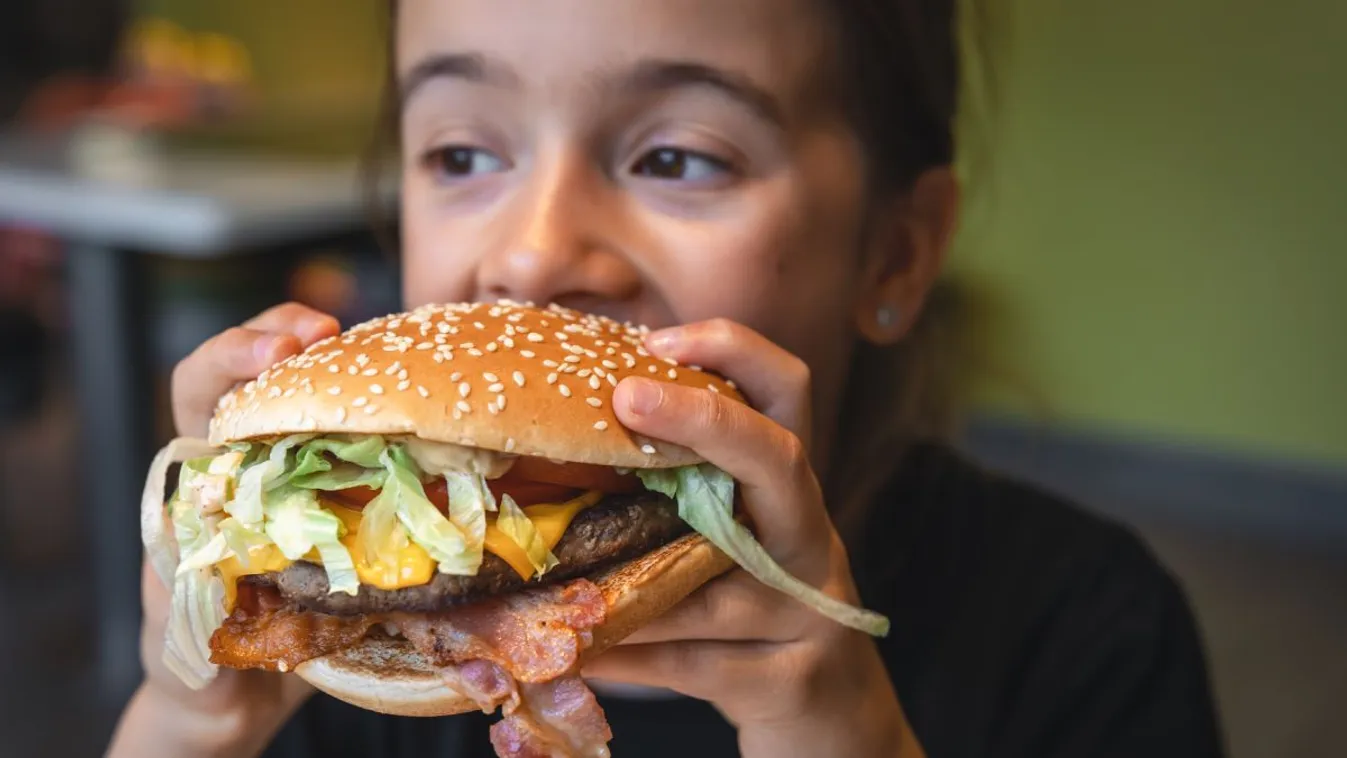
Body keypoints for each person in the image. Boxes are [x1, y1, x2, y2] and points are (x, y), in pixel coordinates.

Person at [107, 0, 1226, 756]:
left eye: (677, 157)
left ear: (894, 250)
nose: (534, 253)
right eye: (461, 154)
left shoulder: (1090, 629)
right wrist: (189, 715)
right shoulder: (339, 653)